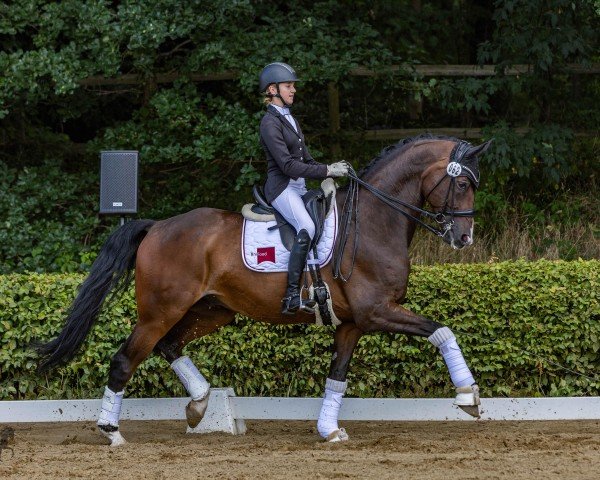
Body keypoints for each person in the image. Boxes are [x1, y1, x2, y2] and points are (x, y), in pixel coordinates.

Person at [258, 62, 349, 315]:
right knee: (307, 226)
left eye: (293, 86)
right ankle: (290, 296)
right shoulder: (269, 123)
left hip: (298, 186)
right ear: (273, 89)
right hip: (281, 189)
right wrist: (327, 170)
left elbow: (306, 160)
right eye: (289, 86)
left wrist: (331, 170)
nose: (293, 90)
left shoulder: (290, 119)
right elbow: (287, 165)